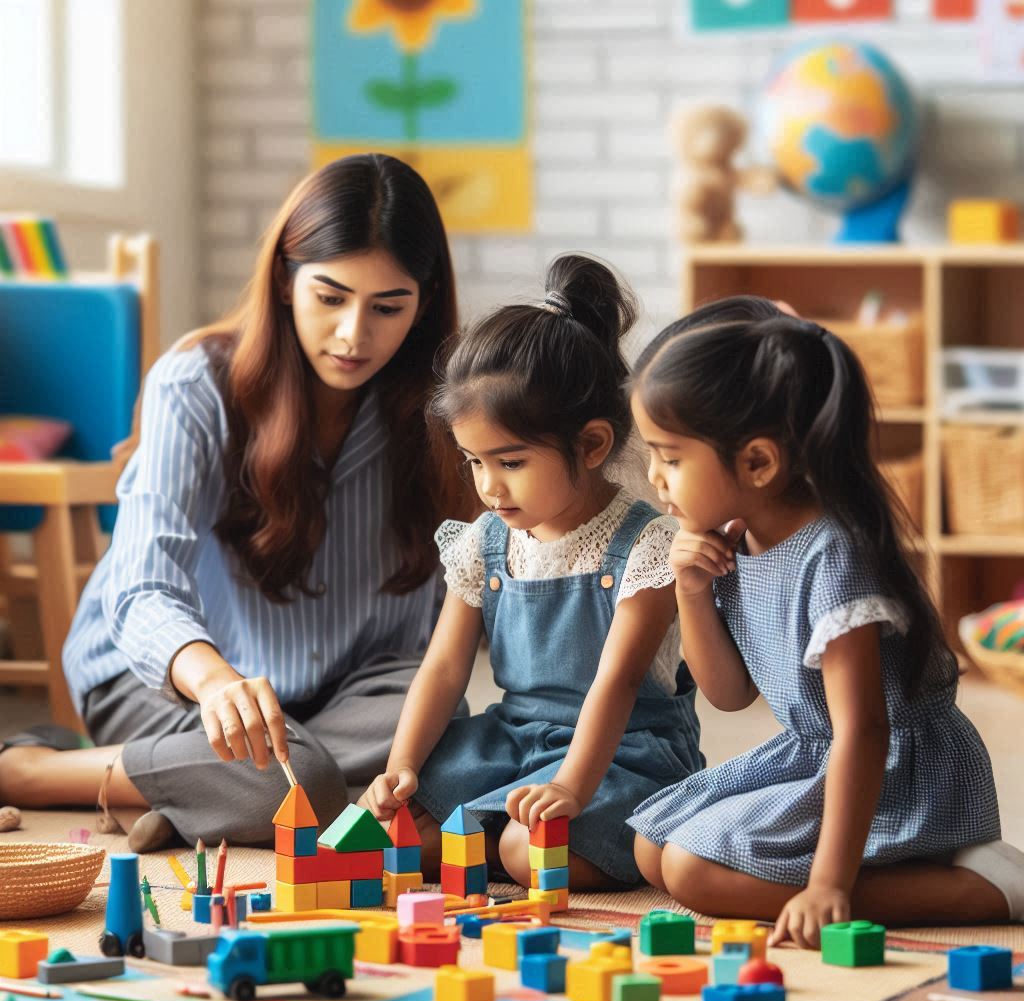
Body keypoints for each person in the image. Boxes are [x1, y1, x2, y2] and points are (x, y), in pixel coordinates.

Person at [0, 153, 472, 851]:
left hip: (348, 693)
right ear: (286, 280)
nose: (353, 335)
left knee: (455, 746)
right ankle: (33, 772)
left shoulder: (444, 410)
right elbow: (140, 588)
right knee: (298, 785)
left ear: (425, 301)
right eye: (331, 297)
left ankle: (183, 800)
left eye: (388, 307)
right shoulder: (194, 385)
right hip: (174, 682)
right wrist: (214, 681)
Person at [628, 295, 1024, 946]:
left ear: (757, 462)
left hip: (894, 771)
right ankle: (907, 870)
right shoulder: (736, 536)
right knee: (653, 848)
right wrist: (693, 591)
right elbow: (729, 695)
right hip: (815, 753)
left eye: (670, 457)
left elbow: (864, 731)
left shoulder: (833, 558)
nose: (655, 477)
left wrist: (829, 883)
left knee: (692, 870)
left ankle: (980, 888)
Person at [359, 254, 704, 889]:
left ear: (593, 445)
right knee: (395, 832)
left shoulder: (645, 547)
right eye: (473, 462)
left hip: (621, 753)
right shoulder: (485, 542)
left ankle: (517, 832)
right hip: (513, 739)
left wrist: (572, 784)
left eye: (510, 462)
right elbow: (442, 666)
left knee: (528, 852)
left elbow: (617, 685)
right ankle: (489, 822)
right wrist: (402, 763)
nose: (488, 487)